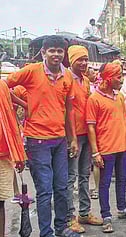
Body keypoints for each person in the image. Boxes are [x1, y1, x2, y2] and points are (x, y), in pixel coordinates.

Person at [7, 35, 80, 237]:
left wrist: (72, 138)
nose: (56, 54)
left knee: (62, 187)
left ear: (64, 54)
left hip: (59, 140)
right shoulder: (31, 72)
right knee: (45, 190)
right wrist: (24, 105)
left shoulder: (67, 77)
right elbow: (5, 86)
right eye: (52, 50)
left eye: (60, 51)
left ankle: (61, 228)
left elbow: (69, 109)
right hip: (37, 140)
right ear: (43, 52)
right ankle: (46, 232)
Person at [86, 63, 126, 233]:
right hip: (105, 149)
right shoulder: (94, 99)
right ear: (109, 78)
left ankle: (123, 209)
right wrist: (95, 152)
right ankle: (106, 216)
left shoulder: (119, 96)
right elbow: (90, 127)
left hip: (122, 147)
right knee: (104, 183)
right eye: (118, 77)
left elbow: (125, 121)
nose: (121, 80)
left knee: (122, 179)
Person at [66, 45, 103, 233]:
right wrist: (72, 138)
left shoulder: (85, 81)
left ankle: (84, 212)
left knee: (84, 176)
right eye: (79, 59)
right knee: (71, 177)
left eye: (86, 59)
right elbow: (68, 111)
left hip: (86, 134)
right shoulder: (66, 79)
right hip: (72, 136)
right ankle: (70, 217)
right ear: (71, 60)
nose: (83, 63)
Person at [0, 79, 27, 237]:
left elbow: (11, 123)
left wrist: (18, 155)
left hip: (3, 155)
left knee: (0, 202)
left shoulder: (2, 87)